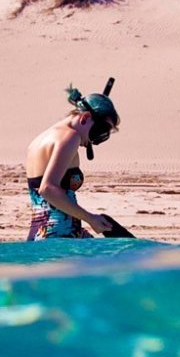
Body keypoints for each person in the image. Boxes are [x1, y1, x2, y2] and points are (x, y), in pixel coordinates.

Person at [22, 80, 136, 240]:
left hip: (39, 236)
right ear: (85, 118)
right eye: (101, 131)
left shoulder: (41, 139)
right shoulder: (70, 137)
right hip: (61, 235)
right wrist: (91, 219)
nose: (97, 140)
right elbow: (47, 189)